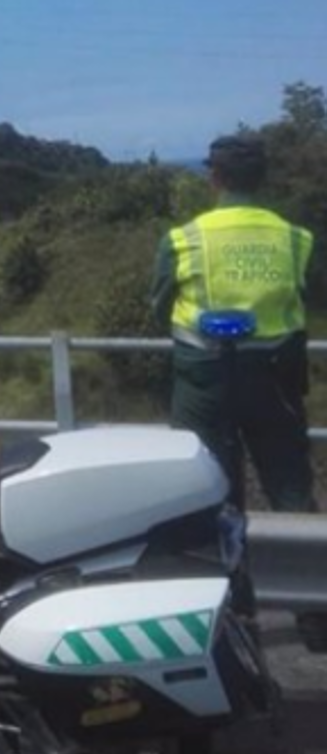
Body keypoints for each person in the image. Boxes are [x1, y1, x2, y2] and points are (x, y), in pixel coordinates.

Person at [150, 133, 324, 647]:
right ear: (262, 178)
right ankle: (313, 610)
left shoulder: (184, 238)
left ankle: (234, 608)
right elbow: (304, 297)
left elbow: (160, 305)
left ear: (215, 177)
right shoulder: (295, 237)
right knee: (291, 486)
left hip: (205, 376)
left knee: (214, 489)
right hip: (277, 376)